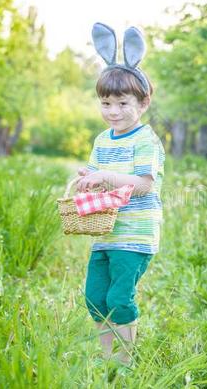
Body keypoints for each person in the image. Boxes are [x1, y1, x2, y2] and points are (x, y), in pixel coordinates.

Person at [76, 23, 165, 376]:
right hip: (105, 232)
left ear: (143, 103)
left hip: (136, 233)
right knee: (95, 297)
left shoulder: (146, 140)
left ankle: (125, 363)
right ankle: (107, 358)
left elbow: (144, 184)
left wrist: (108, 177)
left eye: (122, 103)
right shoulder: (102, 139)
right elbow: (98, 175)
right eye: (106, 102)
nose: (113, 111)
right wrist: (88, 179)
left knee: (118, 298)